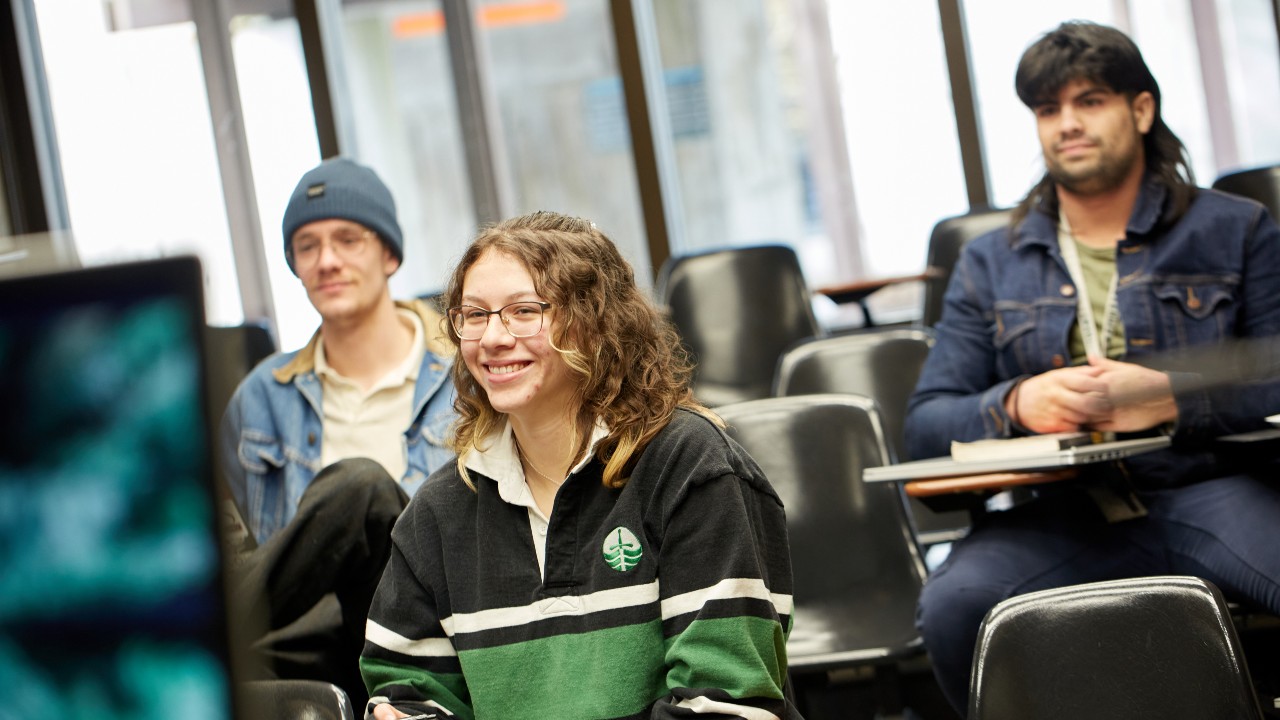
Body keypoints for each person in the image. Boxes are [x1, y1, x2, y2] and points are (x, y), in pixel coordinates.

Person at [904, 20, 1280, 712]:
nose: (1067, 124)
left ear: (1141, 109)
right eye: (1049, 109)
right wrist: (1017, 404)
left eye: (1090, 101)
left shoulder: (1236, 228)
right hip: (1064, 512)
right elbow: (926, 423)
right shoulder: (990, 262)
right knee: (954, 609)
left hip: (1207, 488)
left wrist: (1174, 396)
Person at [358, 211, 802, 720]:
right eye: (474, 314)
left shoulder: (690, 466)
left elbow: (726, 702)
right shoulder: (438, 511)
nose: (493, 337)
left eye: (523, 311)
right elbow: (408, 691)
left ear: (594, 324)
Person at [219, 157, 456, 701]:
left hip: (438, 623)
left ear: (389, 254)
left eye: (348, 240)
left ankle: (213, 635)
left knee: (360, 488)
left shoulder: (466, 375)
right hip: (314, 641)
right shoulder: (261, 398)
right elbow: (230, 548)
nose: (327, 261)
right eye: (307, 246)